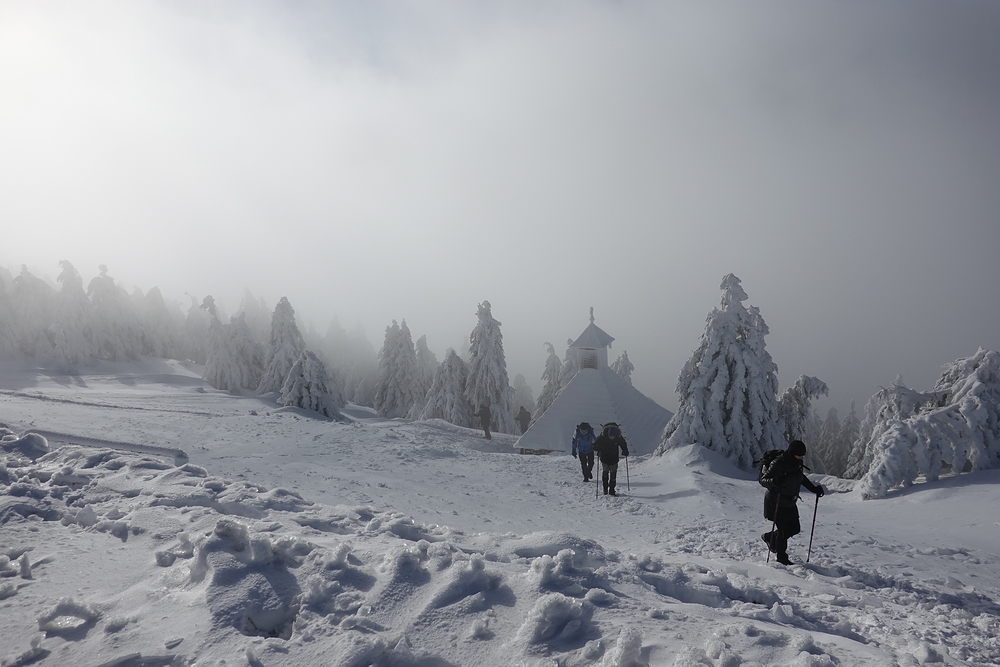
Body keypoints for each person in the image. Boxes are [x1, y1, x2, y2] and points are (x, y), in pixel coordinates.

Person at [759, 439, 824, 565]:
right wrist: (775, 480)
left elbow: (800, 477)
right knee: (783, 531)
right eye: (799, 455)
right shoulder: (778, 462)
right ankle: (782, 558)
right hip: (775, 501)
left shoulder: (797, 462)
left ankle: (770, 537)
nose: (801, 458)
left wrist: (814, 489)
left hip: (790, 502)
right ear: (792, 453)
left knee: (794, 528)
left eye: (802, 456)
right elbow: (763, 480)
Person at [593, 422, 628, 496]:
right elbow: (594, 445)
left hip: (614, 458)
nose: (612, 437)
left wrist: (625, 451)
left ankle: (612, 490)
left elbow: (623, 444)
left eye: (613, 436)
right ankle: (605, 489)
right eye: (610, 436)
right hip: (604, 458)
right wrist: (598, 448)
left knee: (613, 474)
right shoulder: (602, 436)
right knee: (605, 473)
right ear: (607, 434)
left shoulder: (618, 437)